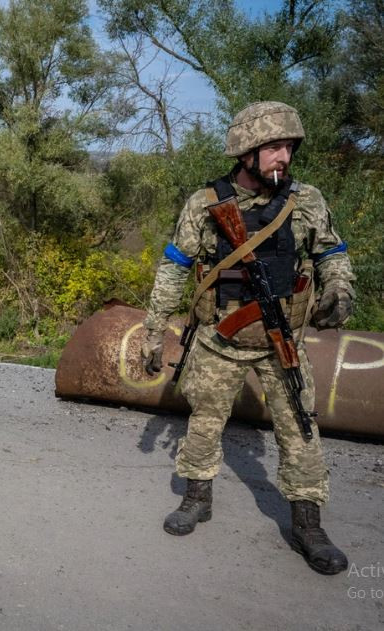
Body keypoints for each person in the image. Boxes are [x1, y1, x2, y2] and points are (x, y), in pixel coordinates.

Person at [140, 102, 354, 575]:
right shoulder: (206, 203)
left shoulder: (308, 200)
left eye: (289, 148)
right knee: (204, 419)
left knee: (299, 425)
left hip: (282, 339)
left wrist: (339, 288)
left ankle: (307, 524)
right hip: (220, 337)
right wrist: (154, 331)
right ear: (246, 151)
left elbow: (332, 254)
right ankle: (197, 498)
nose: (284, 157)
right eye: (274, 147)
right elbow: (175, 267)